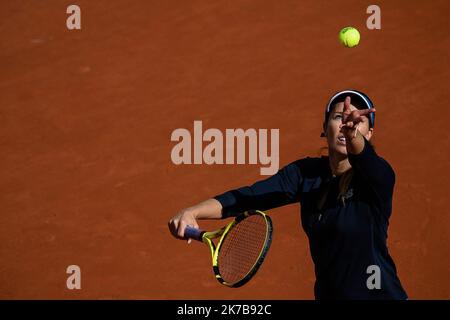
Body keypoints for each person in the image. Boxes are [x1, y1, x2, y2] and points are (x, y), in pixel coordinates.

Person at [168, 90, 408, 300]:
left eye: (358, 121)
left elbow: (366, 158)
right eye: (339, 118)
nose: (347, 124)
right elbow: (250, 197)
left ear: (370, 133)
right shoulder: (305, 174)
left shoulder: (378, 178)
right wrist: (192, 211)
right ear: (325, 128)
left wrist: (353, 135)